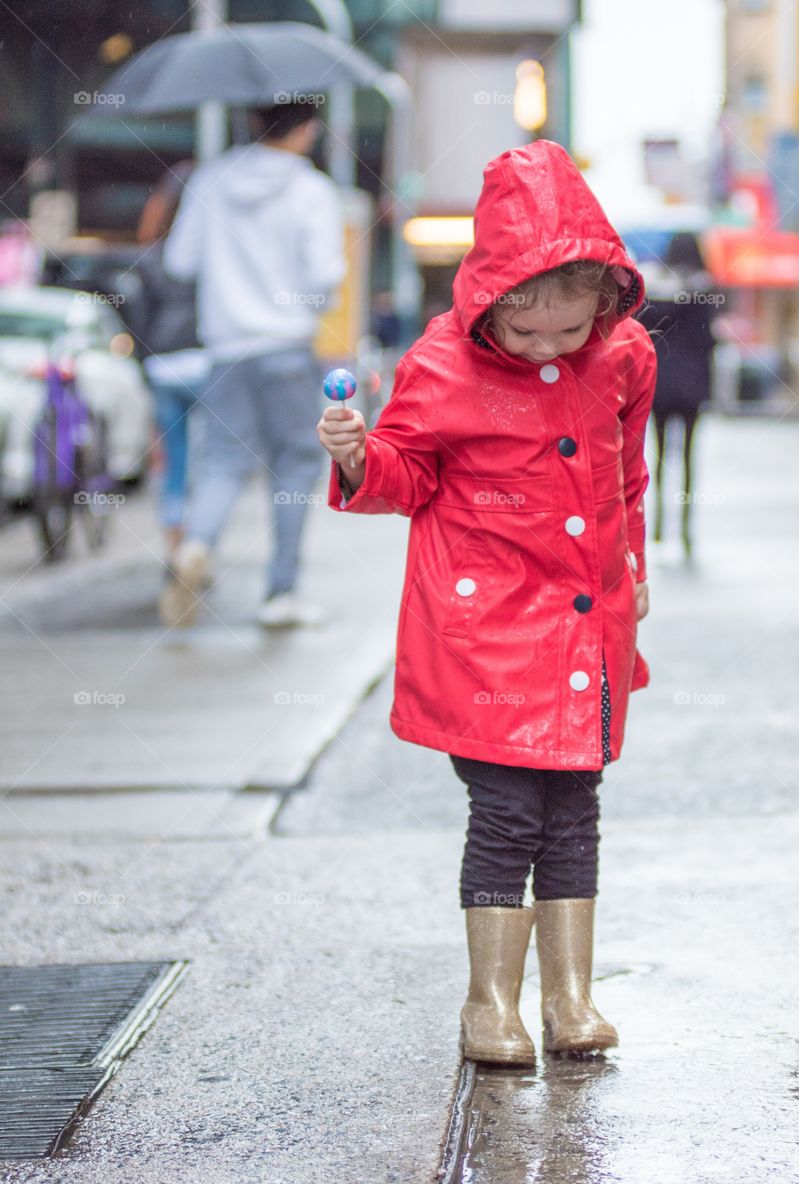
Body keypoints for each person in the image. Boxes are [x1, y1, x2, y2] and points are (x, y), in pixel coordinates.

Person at [317, 140, 657, 1066]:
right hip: (486, 630)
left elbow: (625, 475)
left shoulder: (624, 356)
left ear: (604, 300)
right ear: (489, 302)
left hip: (585, 621)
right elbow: (405, 475)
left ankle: (570, 997)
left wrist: (633, 562)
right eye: (524, 333)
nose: (547, 349)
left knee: (574, 808)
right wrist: (358, 457)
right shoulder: (440, 363)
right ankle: (488, 1005)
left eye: (568, 331)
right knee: (507, 814)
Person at [159, 100, 346, 628]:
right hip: (286, 346)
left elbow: (179, 262)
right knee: (294, 465)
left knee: (222, 461)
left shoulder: (210, 180)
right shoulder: (311, 189)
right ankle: (280, 594)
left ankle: (196, 543)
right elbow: (324, 274)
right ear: (305, 130)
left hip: (225, 350)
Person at [135, 161, 209, 558]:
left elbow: (139, 322)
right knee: (207, 460)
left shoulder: (151, 257)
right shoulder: (211, 255)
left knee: (173, 461)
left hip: (163, 367)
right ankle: (199, 541)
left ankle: (174, 538)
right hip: (206, 363)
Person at [638, 231, 720, 561]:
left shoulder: (655, 290)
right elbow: (709, 341)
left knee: (658, 453)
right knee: (688, 455)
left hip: (659, 383)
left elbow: (643, 333)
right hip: (693, 386)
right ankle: (685, 527)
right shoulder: (705, 291)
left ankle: (658, 524)